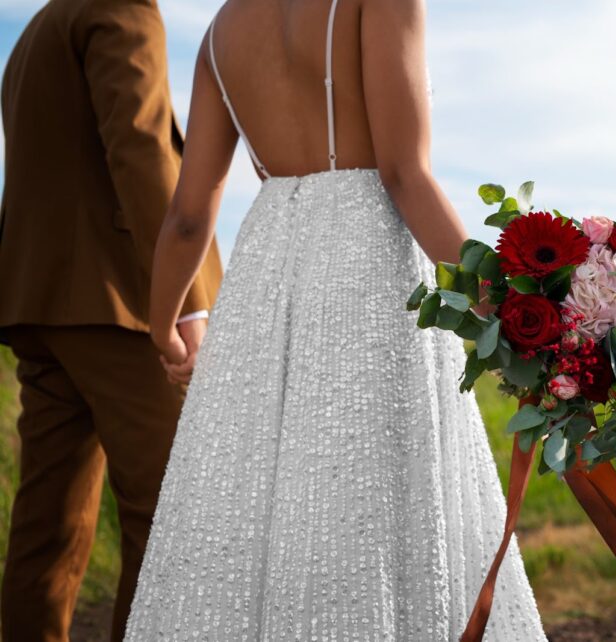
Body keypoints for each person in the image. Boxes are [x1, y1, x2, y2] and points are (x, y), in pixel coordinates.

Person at [124, 0, 545, 639]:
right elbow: (406, 175)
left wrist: (164, 329)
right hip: (369, 267)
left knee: (259, 496)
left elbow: (188, 213)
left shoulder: (221, 31)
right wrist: (509, 308)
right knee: (372, 496)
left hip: (266, 273)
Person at [0, 0, 223, 640]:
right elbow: (141, 142)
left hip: (42, 303)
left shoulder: (38, 29)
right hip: (119, 303)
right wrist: (183, 300)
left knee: (49, 522)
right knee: (169, 512)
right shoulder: (120, 6)